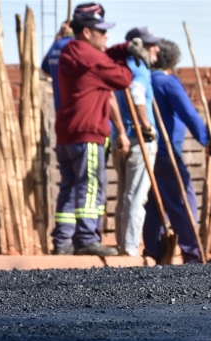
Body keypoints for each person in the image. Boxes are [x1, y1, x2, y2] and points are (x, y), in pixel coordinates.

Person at [52, 2, 150, 257]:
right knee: (91, 185)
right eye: (102, 31)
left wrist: (125, 49)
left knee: (69, 186)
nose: (107, 36)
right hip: (88, 134)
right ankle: (86, 238)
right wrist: (131, 59)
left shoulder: (70, 51)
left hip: (66, 134)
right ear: (86, 33)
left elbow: (104, 56)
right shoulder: (92, 59)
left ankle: (62, 241)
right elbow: (123, 79)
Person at [146, 40, 211, 264]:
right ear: (172, 62)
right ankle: (192, 254)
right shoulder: (167, 82)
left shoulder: (143, 80)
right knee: (183, 199)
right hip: (165, 151)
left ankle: (154, 248)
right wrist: (208, 142)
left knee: (153, 201)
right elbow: (189, 114)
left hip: (147, 152)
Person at [113, 27, 162, 257]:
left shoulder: (120, 68)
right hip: (138, 140)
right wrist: (146, 126)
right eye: (152, 46)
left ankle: (122, 243)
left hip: (121, 139)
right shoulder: (139, 68)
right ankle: (130, 248)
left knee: (124, 195)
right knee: (136, 197)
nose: (157, 50)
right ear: (140, 46)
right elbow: (136, 93)